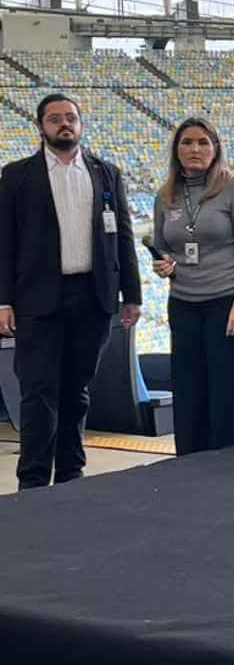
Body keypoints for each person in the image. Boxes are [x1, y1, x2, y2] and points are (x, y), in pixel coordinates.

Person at [0, 92, 141, 489]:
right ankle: (32, 479)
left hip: (92, 297)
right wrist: (3, 301)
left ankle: (70, 475)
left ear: (81, 124)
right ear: (40, 126)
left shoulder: (106, 173)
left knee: (77, 389)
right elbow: (4, 242)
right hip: (38, 299)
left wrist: (132, 294)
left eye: (71, 118)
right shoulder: (16, 176)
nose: (64, 124)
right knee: (39, 390)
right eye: (55, 118)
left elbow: (123, 239)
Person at [152, 117, 234, 456]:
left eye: (203, 142)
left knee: (228, 388)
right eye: (187, 142)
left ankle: (233, 461)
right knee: (188, 386)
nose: (194, 149)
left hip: (225, 301)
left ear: (215, 149)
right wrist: (164, 265)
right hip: (183, 302)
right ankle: (190, 461)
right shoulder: (166, 194)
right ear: (176, 150)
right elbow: (162, 245)